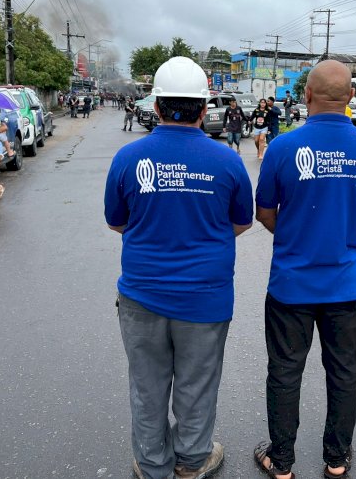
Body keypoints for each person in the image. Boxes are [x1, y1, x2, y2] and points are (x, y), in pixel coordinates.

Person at [104, 57, 253, 479]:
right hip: (206, 298)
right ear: (204, 109)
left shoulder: (129, 157)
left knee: (147, 387)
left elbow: (117, 221)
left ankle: (152, 465)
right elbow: (241, 222)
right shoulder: (227, 160)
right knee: (197, 384)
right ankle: (191, 461)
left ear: (155, 107)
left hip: (141, 295)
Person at [254, 60, 356, 479]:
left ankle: (282, 462)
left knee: (285, 371)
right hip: (346, 284)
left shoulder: (281, 148)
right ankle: (336, 458)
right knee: (345, 371)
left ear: (306, 96)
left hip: (292, 284)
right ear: (351, 98)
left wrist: (295, 231)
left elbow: (264, 212)